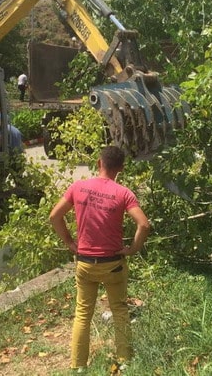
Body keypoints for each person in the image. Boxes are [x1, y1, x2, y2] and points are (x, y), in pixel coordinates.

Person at [49, 146, 150, 372]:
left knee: (83, 313)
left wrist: (69, 243)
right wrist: (133, 248)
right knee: (119, 310)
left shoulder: (78, 187)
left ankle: (79, 366)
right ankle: (124, 361)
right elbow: (144, 224)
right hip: (113, 264)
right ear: (121, 169)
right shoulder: (124, 193)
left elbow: (55, 216)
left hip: (85, 263)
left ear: (98, 163)